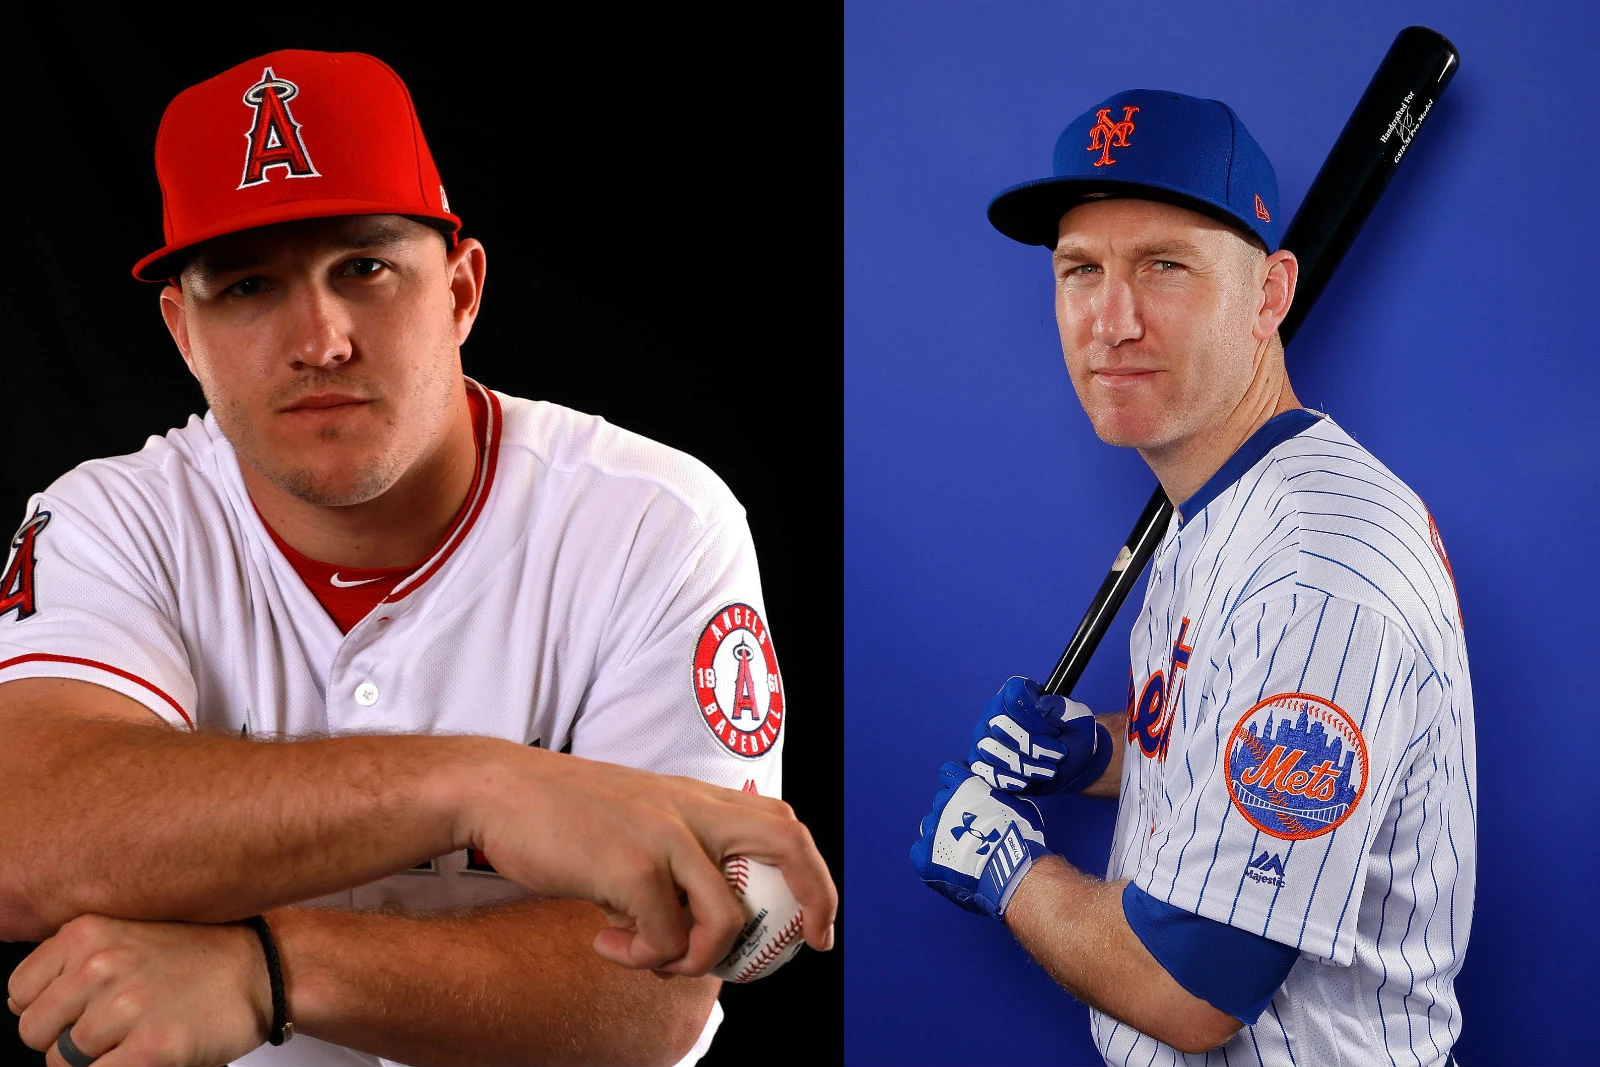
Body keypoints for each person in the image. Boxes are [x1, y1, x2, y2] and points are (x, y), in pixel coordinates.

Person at [0, 49, 834, 1067]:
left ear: (460, 289)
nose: (320, 338)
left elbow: (646, 1006)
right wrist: (479, 785)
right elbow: (25, 840)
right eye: (249, 284)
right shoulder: (113, 520)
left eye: (364, 266)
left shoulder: (651, 520)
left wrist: (272, 969)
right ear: (184, 330)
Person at [910, 89, 1474, 1065]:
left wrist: (1008, 867)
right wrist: (1100, 754)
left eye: (1162, 266)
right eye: (1079, 269)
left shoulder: (1314, 569)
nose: (1110, 321)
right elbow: (1241, 752)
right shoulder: (1209, 507)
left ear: (1268, 294)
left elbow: (1193, 982)